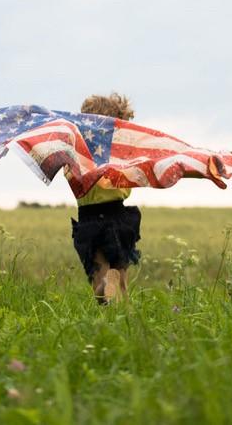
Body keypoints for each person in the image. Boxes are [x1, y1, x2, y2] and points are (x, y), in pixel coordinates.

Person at [69, 93, 141, 305]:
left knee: (98, 273)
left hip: (90, 219)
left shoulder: (78, 151)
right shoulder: (122, 152)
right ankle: (119, 305)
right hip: (119, 217)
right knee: (121, 284)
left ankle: (102, 287)